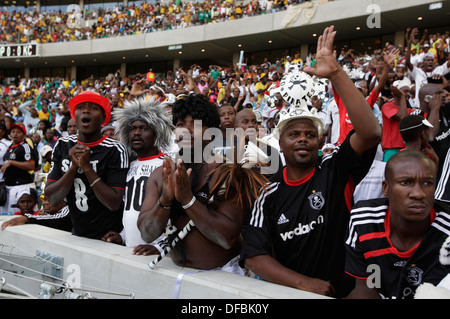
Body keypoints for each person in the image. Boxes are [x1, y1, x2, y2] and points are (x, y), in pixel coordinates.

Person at [239, 25, 382, 298]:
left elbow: (371, 132)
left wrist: (337, 74)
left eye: (309, 134)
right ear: (280, 144)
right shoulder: (268, 193)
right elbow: (254, 256)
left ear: (320, 141)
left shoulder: (335, 170)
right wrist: (304, 284)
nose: (302, 139)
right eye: (294, 134)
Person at [137, 93, 267, 271]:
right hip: (176, 273)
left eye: (196, 124)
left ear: (212, 133)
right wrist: (166, 200)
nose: (188, 130)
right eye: (181, 125)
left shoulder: (229, 172)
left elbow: (226, 237)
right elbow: (146, 233)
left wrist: (187, 200)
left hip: (224, 276)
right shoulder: (161, 175)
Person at [344, 150, 450, 299]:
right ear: (386, 188)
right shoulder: (364, 221)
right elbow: (365, 289)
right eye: (406, 182)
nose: (418, 194)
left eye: (427, 183)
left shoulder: (447, 233)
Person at [44, 91, 129, 239]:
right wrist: (73, 168)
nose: (86, 110)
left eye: (94, 108)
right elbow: (51, 198)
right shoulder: (63, 145)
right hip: (76, 233)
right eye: (81, 107)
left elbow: (114, 203)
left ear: (103, 118)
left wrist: (87, 168)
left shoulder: (115, 149)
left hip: (109, 237)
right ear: (74, 116)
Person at [101, 96, 173, 256]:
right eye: (132, 129)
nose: (137, 133)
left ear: (157, 133)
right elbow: (130, 209)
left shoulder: (167, 165)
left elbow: (177, 215)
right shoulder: (129, 165)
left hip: (158, 255)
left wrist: (161, 247)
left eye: (144, 128)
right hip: (132, 250)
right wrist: (122, 235)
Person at [1, 123, 38, 214]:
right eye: (13, 132)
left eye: (18, 132)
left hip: (22, 186)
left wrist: (11, 162)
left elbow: (31, 165)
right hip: (8, 186)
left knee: (18, 215)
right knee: (6, 215)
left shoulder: (25, 146)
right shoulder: (10, 148)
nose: (15, 134)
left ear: (24, 135)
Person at [1, 194, 72, 232]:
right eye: (44, 200)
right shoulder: (48, 212)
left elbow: (57, 219)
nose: (45, 203)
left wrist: (26, 218)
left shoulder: (69, 210)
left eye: (50, 200)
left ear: (64, 202)